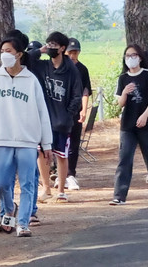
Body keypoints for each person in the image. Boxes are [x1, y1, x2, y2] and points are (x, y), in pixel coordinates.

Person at [0, 33, 53, 238]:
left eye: (8, 51)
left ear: (19, 54)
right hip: (1, 139)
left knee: (27, 184)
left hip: (27, 140)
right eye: (2, 51)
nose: (4, 55)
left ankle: (23, 223)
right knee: (1, 182)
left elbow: (42, 113)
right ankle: (9, 209)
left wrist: (47, 144)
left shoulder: (31, 80)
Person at [110, 44, 148, 205]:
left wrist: (145, 115)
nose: (130, 58)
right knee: (124, 158)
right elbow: (120, 103)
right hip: (128, 125)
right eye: (127, 56)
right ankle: (119, 195)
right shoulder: (123, 78)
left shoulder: (147, 74)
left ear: (140, 57)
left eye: (133, 55)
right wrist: (124, 93)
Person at [32, 32, 82, 204]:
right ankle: (46, 188)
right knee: (42, 153)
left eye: (54, 45)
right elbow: (24, 59)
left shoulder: (71, 70)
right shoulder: (43, 67)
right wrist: (39, 51)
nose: (50, 47)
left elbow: (77, 95)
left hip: (61, 121)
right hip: (43, 120)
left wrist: (67, 115)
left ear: (62, 48)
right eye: (49, 44)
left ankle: (61, 190)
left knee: (61, 155)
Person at [64, 37, 91, 191]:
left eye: (75, 53)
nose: (73, 56)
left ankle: (70, 174)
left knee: (74, 143)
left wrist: (84, 110)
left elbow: (85, 91)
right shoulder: (60, 68)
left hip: (76, 111)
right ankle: (58, 173)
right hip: (61, 112)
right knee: (60, 143)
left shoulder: (82, 69)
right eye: (70, 53)